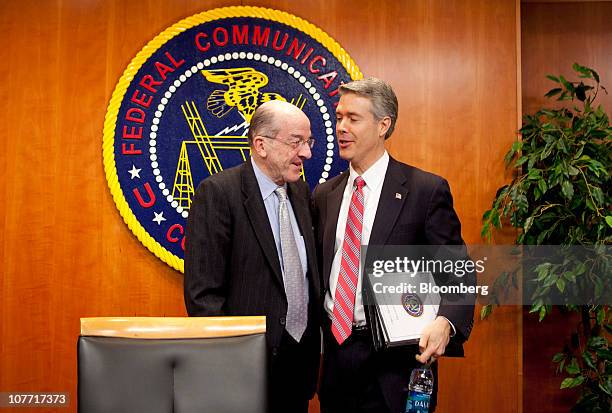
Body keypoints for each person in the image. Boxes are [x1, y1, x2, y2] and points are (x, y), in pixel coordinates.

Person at [312, 77, 476, 413]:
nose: (341, 127)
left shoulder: (425, 191)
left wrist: (446, 322)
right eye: (339, 116)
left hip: (396, 369)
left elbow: (457, 271)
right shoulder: (324, 195)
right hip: (337, 364)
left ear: (383, 125)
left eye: (353, 118)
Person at [184, 100, 321, 413]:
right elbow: (203, 296)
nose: (306, 153)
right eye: (296, 142)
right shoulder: (219, 193)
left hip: (297, 369)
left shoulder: (301, 194)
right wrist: (231, 362)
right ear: (261, 144)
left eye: (308, 142)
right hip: (242, 371)